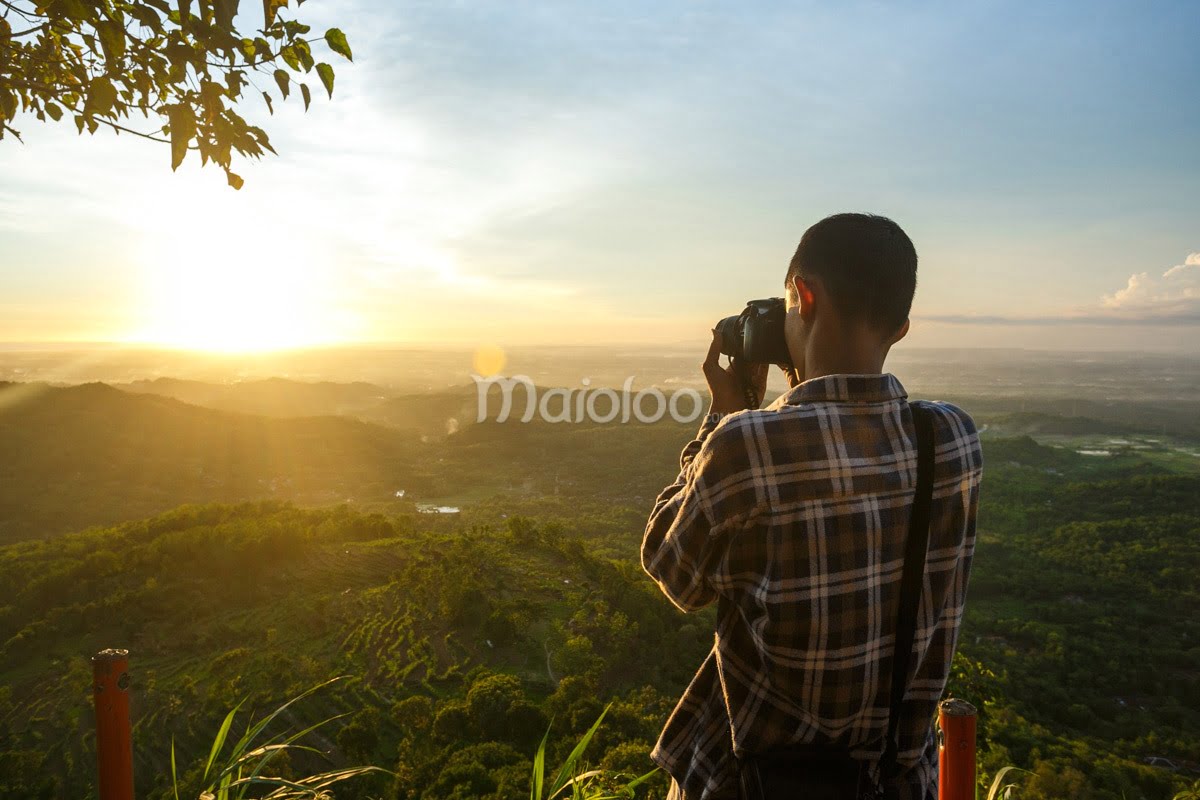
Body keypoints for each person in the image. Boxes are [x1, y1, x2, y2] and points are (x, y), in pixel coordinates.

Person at [642, 213, 983, 800]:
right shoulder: (952, 438)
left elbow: (674, 573)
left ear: (803, 294)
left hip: (761, 784)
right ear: (900, 327)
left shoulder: (746, 446)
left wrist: (724, 415)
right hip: (897, 783)